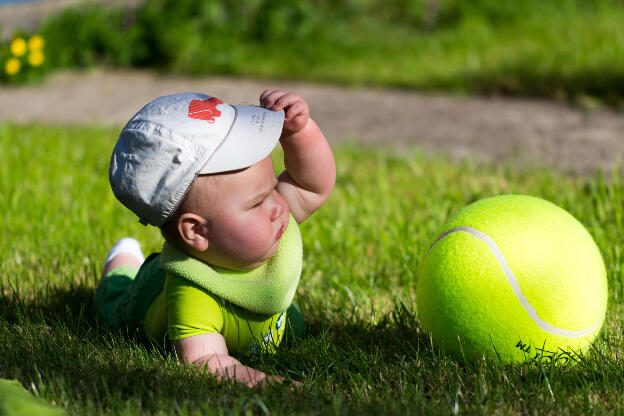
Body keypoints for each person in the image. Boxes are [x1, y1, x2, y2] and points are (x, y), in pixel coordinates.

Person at [95, 90, 336, 388]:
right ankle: (122, 260)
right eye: (258, 202)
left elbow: (311, 186)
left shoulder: (267, 223)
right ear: (197, 232)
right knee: (114, 295)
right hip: (146, 293)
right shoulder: (193, 292)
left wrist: (300, 132)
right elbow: (205, 362)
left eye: (273, 188)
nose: (278, 206)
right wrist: (275, 385)